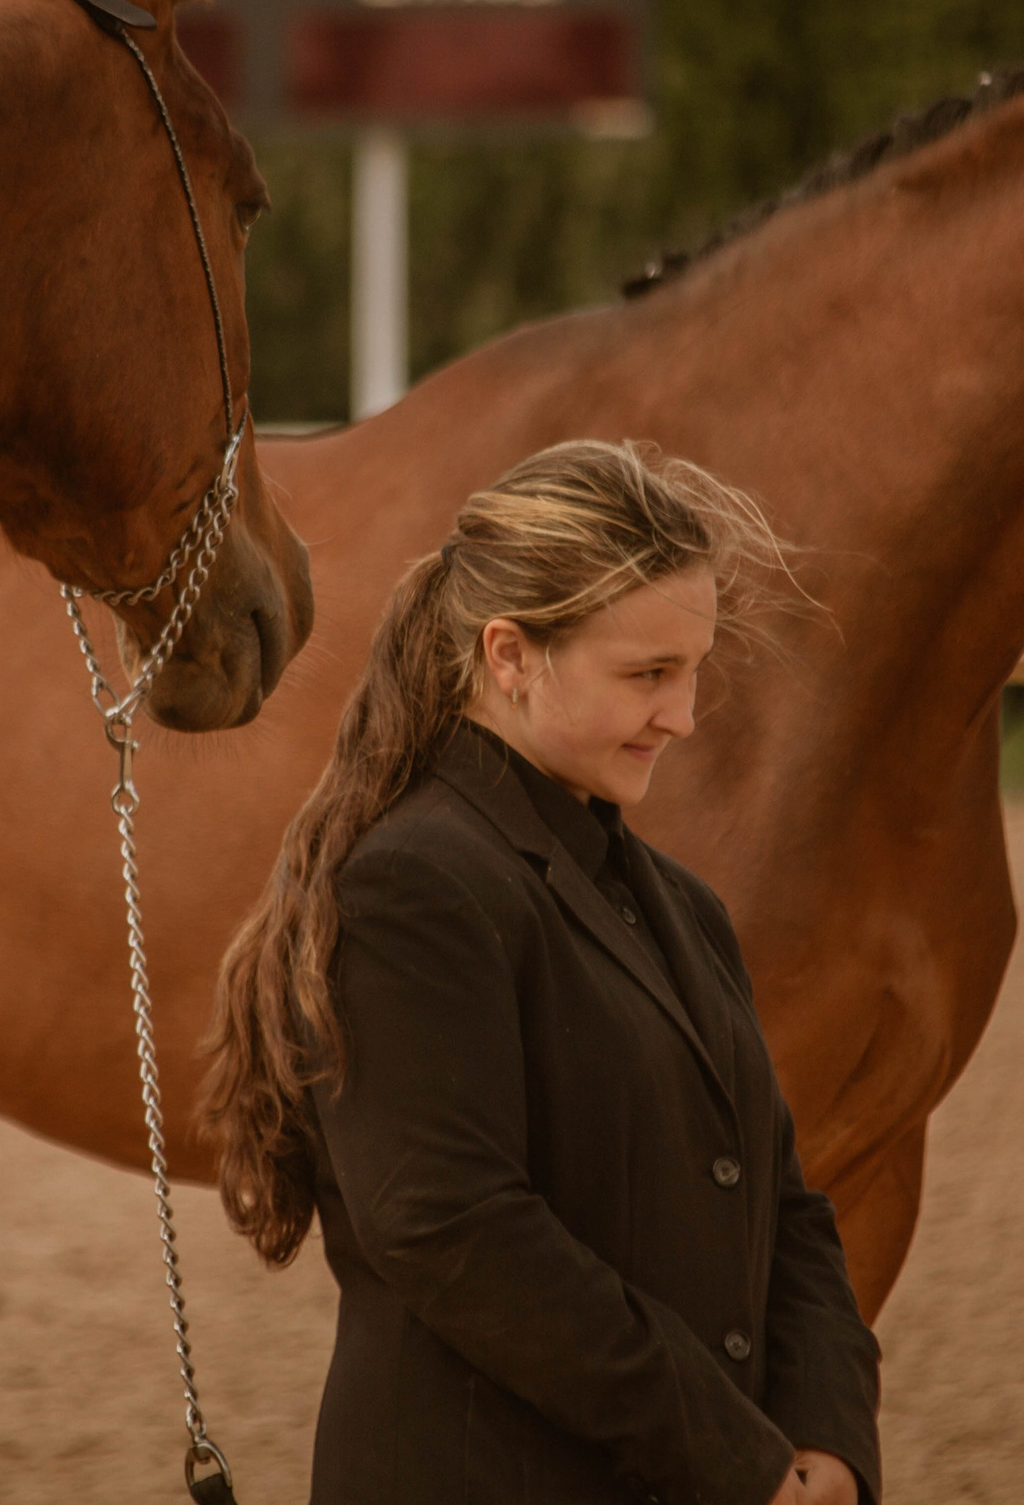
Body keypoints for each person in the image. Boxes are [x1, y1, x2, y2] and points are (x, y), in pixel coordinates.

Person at [203, 441, 881, 1505]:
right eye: (648, 674)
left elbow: (781, 1205)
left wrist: (828, 1438)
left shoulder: (683, 909)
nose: (684, 715)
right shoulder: (410, 889)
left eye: (693, 670)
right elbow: (455, 1233)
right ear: (510, 655)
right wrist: (739, 1460)